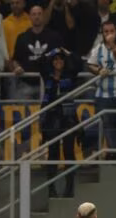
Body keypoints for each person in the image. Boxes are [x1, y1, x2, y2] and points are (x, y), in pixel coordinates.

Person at [39, 47, 81, 198]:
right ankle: (51, 189)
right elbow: (40, 62)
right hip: (51, 118)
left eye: (61, 59)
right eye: (55, 59)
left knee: (69, 152)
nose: (58, 61)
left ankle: (69, 188)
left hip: (68, 117)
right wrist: (52, 52)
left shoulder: (70, 74)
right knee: (53, 153)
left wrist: (67, 52)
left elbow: (78, 63)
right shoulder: (48, 75)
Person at [87, 21, 116, 158]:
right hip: (103, 93)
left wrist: (112, 44)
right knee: (107, 122)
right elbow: (90, 64)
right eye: (106, 31)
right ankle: (114, 151)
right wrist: (98, 70)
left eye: (111, 31)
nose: (109, 34)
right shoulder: (98, 48)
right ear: (102, 33)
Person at [11, 5, 64, 101]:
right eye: (34, 14)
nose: (37, 17)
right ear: (30, 17)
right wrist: (17, 67)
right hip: (27, 84)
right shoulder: (22, 37)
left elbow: (61, 58)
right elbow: (15, 59)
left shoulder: (54, 37)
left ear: (43, 16)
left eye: (39, 14)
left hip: (48, 84)